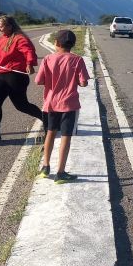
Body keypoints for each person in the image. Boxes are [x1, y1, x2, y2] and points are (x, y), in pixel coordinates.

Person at [35, 30, 89, 183]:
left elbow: (39, 81)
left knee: (50, 133)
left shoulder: (48, 59)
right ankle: (61, 172)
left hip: (51, 104)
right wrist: (77, 81)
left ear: (57, 43)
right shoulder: (77, 60)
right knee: (66, 137)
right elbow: (84, 82)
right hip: (69, 105)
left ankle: (45, 167)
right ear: (72, 44)